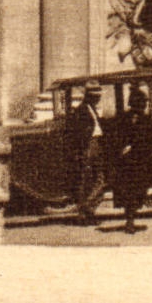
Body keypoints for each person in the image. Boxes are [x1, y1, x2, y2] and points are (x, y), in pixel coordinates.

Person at [111, 86, 152, 234]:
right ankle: (130, 220)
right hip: (126, 163)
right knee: (128, 191)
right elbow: (117, 137)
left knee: (137, 192)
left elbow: (150, 141)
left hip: (140, 161)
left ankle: (131, 217)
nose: (143, 106)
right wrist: (122, 148)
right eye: (141, 103)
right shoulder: (123, 119)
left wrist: (135, 147)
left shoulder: (147, 120)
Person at [70, 81, 106, 224]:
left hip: (95, 145)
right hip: (90, 147)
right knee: (95, 180)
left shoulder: (91, 109)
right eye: (95, 96)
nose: (98, 99)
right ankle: (86, 209)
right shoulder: (82, 111)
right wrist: (84, 149)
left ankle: (86, 211)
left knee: (95, 180)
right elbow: (79, 133)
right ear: (88, 96)